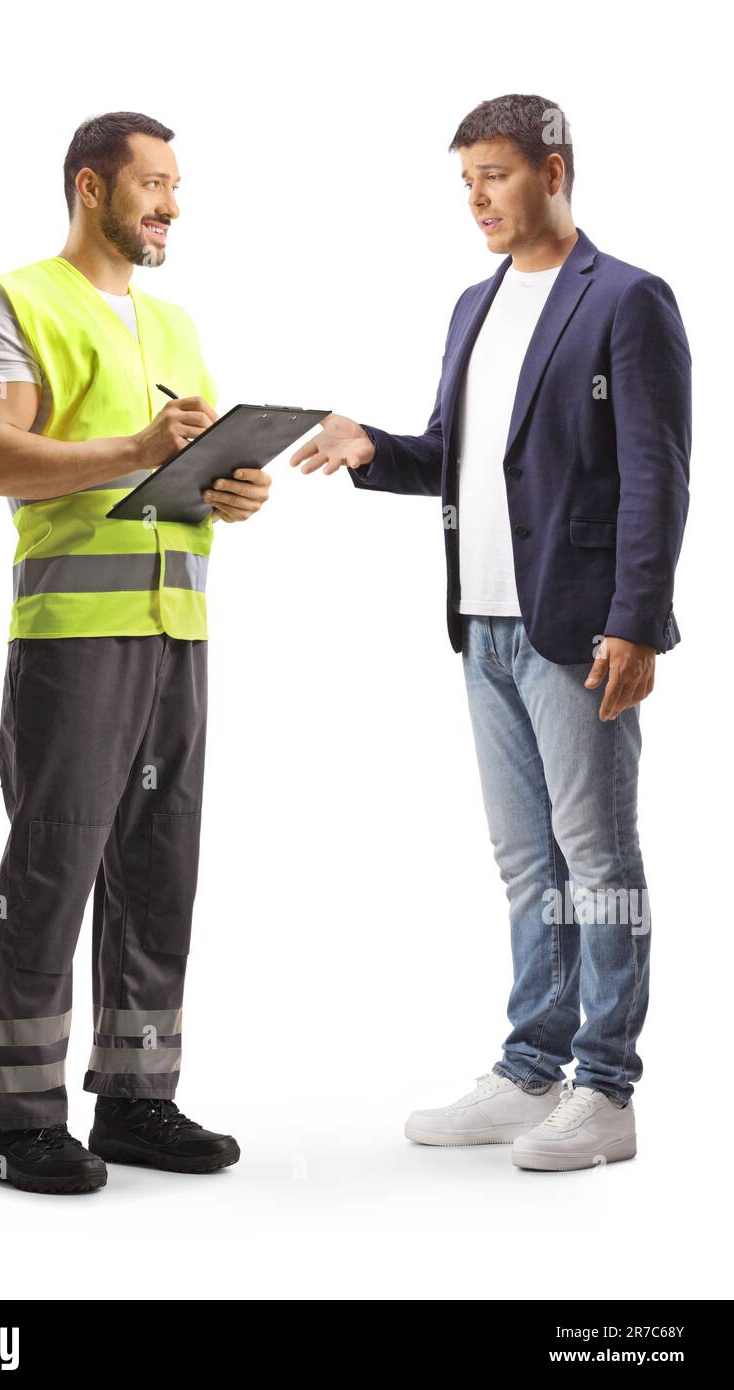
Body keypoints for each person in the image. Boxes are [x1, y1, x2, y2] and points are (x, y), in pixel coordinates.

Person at [290, 93, 690, 1172]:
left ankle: (604, 1089)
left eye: (494, 175)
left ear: (554, 169)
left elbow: (655, 469)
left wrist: (635, 620)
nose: (475, 198)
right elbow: (451, 458)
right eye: (463, 179)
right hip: (483, 624)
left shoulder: (627, 299)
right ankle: (529, 1070)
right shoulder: (471, 305)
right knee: (527, 863)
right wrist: (367, 443)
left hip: (579, 630)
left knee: (596, 857)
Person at [0, 110, 272, 1194]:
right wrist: (137, 448)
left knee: (156, 865)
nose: (171, 204)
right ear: (91, 188)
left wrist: (232, 487)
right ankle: (16, 1118)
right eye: (152, 185)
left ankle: (136, 1099)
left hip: (176, 628)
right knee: (53, 864)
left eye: (176, 187)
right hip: (74, 638)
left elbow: (175, 481)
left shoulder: (175, 325)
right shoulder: (14, 301)